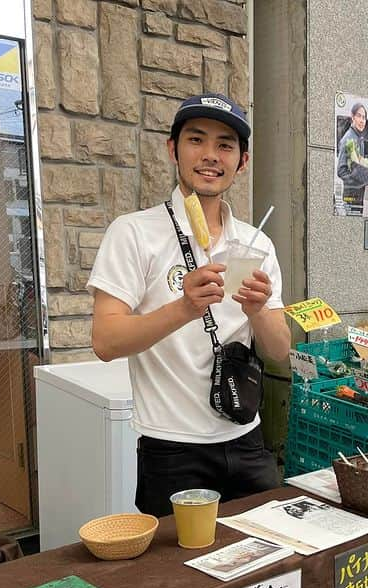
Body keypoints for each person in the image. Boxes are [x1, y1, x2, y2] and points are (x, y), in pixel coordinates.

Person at [88, 94, 291, 516]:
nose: (210, 156)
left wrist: (257, 310)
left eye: (225, 145)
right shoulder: (134, 233)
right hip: (172, 451)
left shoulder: (254, 243)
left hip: (246, 438)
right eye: (196, 140)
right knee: (179, 578)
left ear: (242, 161)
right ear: (172, 149)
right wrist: (183, 308)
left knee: (266, 569)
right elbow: (105, 341)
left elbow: (280, 351)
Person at [336, 103, 368, 214]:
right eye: (359, 116)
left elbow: (359, 165)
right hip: (351, 197)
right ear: (352, 117)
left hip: (358, 195)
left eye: (364, 117)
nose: (362, 120)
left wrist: (367, 181)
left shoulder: (358, 137)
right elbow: (341, 171)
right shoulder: (348, 139)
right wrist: (359, 182)